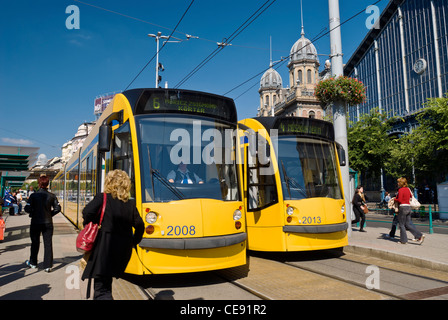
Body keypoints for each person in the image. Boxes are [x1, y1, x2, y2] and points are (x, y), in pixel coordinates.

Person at [81, 170, 144, 300]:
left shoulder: (102, 197)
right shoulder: (130, 203)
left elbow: (87, 212)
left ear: (109, 182)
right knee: (106, 284)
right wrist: (133, 242)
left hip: (105, 247)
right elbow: (140, 225)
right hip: (122, 250)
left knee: (102, 290)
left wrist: (91, 225)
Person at [24, 175, 61, 272]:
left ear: (39, 184)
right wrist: (49, 214)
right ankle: (48, 266)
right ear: (48, 184)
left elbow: (27, 208)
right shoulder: (52, 196)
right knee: (48, 244)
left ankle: (33, 263)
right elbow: (58, 209)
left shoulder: (33, 196)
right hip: (48, 222)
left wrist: (33, 212)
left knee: (35, 242)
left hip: (35, 222)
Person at [394, 177, 425, 245]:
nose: (398, 183)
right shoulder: (408, 189)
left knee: (402, 224)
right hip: (408, 207)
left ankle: (403, 240)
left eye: (399, 182)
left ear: (401, 183)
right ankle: (419, 235)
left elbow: (399, 200)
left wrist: (394, 199)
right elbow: (410, 197)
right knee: (408, 224)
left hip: (402, 207)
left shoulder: (401, 190)